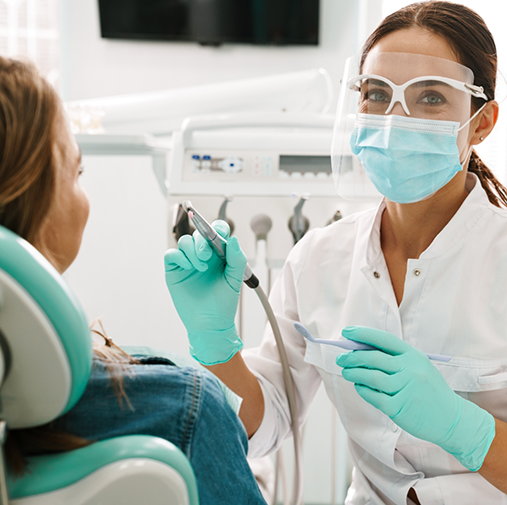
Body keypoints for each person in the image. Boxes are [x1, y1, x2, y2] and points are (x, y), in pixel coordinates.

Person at [164, 2, 507, 503]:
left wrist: (466, 430)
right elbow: (268, 419)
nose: (396, 120)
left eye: (431, 97)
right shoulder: (318, 260)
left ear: (481, 123)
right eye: (376, 94)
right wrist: (217, 347)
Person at [0, 56, 267, 505]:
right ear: (34, 197)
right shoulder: (188, 408)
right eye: (76, 173)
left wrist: (219, 351)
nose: (86, 199)